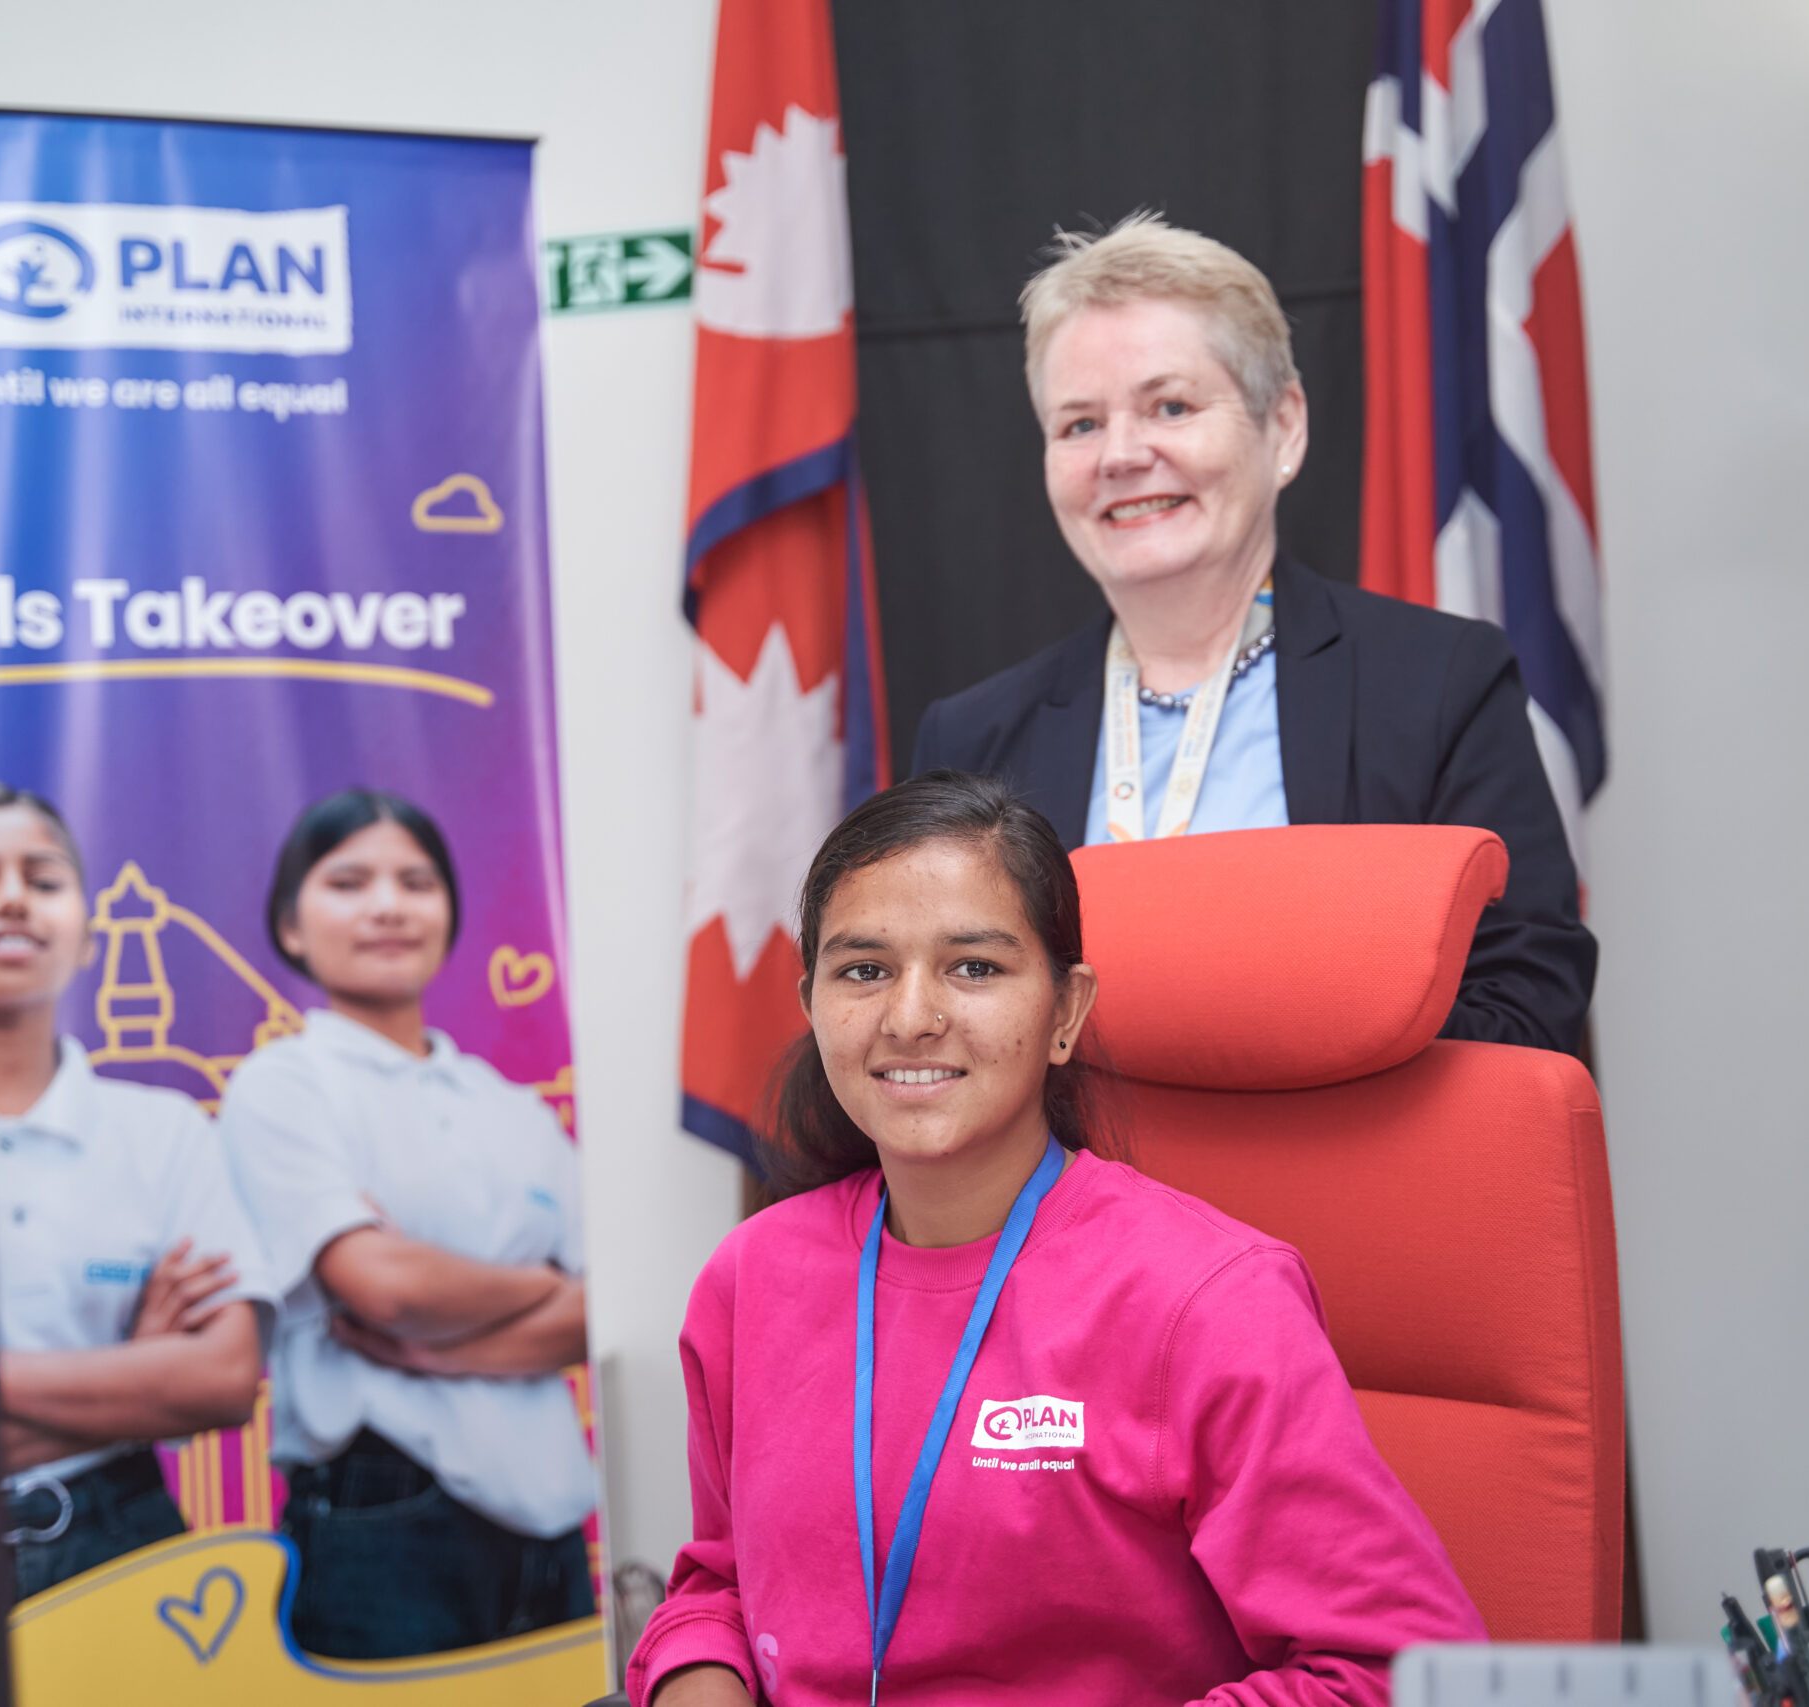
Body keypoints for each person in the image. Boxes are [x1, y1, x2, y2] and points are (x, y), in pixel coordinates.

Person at [629, 772, 1485, 1706]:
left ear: (1066, 1012)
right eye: (863, 969)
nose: (910, 1016)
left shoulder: (1209, 1300)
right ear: (811, 1005)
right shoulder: (751, 1277)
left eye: (975, 967)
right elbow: (723, 1582)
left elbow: (1398, 1669)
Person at [911, 212, 1594, 1055]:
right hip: (1071, 1188)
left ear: (1285, 428)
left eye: (1170, 405)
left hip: (1343, 1176)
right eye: (1080, 424)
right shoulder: (974, 737)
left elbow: (1527, 1005)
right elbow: (939, 1028)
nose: (1121, 454)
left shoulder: (1438, 685)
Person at [218, 788, 593, 1660]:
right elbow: (378, 1287)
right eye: (348, 881)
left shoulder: (514, 1110)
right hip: (378, 1516)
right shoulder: (283, 1086)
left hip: (552, 1522)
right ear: (291, 927)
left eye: (415, 882)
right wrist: (538, 1284)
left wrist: (444, 1341)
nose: (387, 904)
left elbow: (603, 1311)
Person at [0, 784, 271, 1601]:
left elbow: (222, 1377)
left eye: (43, 879)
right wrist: (133, 1374)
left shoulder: (165, 1130)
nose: (11, 900)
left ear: (87, 935)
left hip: (123, 1542)